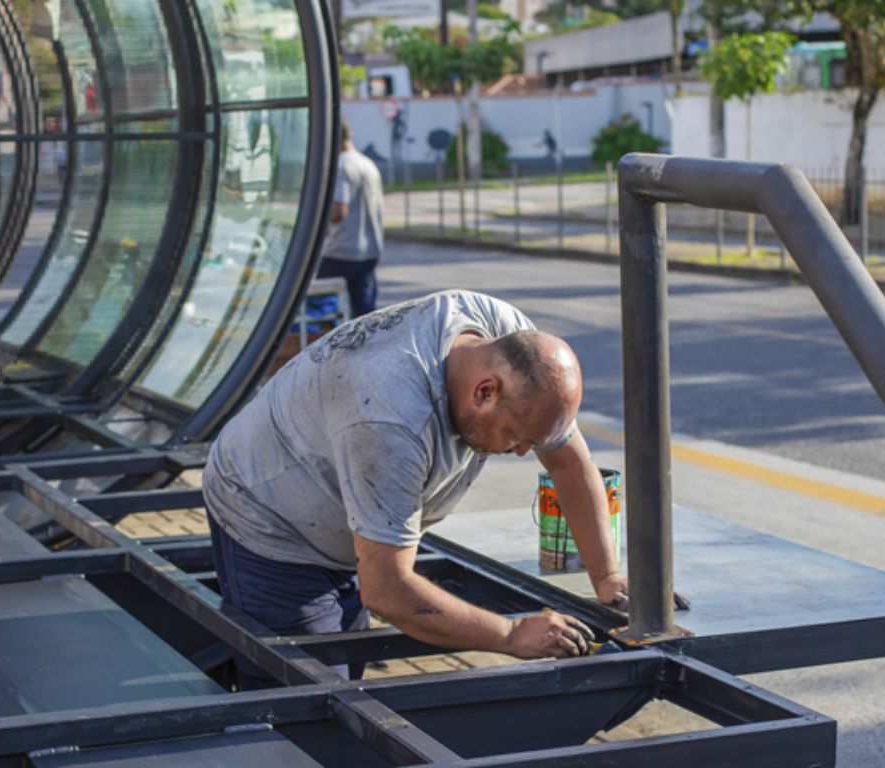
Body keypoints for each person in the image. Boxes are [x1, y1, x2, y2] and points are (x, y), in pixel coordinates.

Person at [204, 290, 627, 689]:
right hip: (268, 515)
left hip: (334, 502)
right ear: (485, 392)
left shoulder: (509, 342)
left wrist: (607, 577)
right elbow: (388, 590)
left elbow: (569, 461)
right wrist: (511, 633)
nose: (520, 453)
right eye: (516, 436)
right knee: (304, 699)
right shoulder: (390, 419)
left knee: (344, 675)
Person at [317, 119, 384, 318]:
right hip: (369, 249)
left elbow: (338, 211)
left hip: (342, 249)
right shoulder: (367, 163)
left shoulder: (341, 166)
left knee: (322, 309)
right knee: (364, 313)